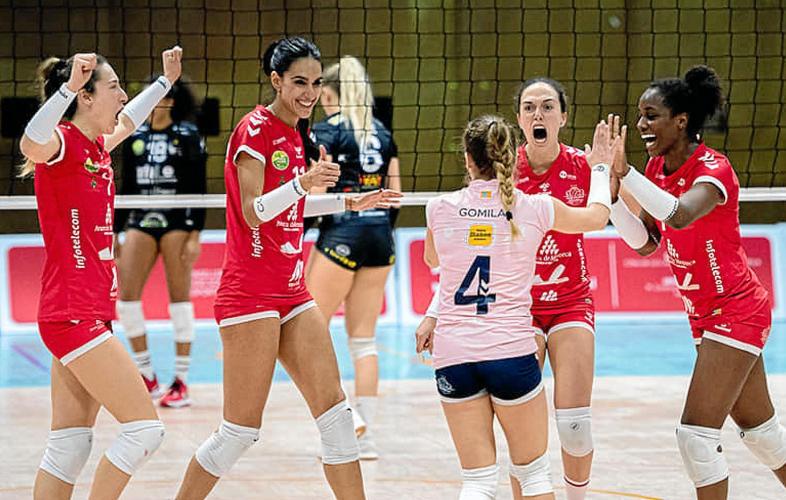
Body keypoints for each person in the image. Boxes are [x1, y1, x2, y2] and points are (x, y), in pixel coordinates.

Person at [174, 37, 399, 500]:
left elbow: (294, 206)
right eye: (299, 82)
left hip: (292, 292)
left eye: (315, 83)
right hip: (249, 295)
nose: (309, 93)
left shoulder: (301, 134)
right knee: (239, 432)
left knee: (336, 417)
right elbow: (254, 211)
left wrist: (349, 202)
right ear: (276, 81)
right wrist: (302, 182)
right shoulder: (254, 129)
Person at [417, 78, 601, 500]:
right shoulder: (532, 206)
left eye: (547, 107)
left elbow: (437, 263)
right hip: (510, 347)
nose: (539, 115)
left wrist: (433, 313)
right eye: (530, 107)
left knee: (478, 480)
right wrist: (604, 169)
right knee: (533, 474)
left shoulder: (437, 208)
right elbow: (596, 218)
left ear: (468, 159)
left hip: (454, 354)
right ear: (510, 151)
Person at [608, 65, 786, 499]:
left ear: (681, 120)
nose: (641, 124)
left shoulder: (714, 169)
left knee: (696, 438)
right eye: (639, 115)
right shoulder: (656, 167)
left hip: (737, 308)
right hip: (705, 315)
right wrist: (613, 199)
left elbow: (680, 214)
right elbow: (648, 242)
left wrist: (626, 174)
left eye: (651, 115)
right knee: (761, 433)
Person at [19, 47, 182, 499]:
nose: (122, 95)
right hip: (71, 313)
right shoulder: (60, 143)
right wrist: (68, 88)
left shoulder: (93, 147)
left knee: (69, 447)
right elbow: (30, 144)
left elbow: (128, 120)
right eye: (114, 87)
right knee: (144, 430)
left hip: (86, 310)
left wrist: (165, 82)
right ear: (86, 97)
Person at [306, 55, 401, 460]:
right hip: (380, 238)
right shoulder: (382, 131)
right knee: (364, 341)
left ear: (328, 94)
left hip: (341, 234)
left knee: (309, 333)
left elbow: (315, 195)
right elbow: (396, 195)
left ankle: (349, 422)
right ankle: (367, 437)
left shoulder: (325, 131)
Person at [114, 76, 207, 408]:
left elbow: (199, 188)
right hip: (140, 219)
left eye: (158, 97)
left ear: (170, 101)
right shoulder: (134, 135)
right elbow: (125, 186)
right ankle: (146, 375)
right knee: (126, 300)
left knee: (179, 300)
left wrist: (195, 234)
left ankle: (180, 381)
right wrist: (115, 231)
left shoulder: (188, 135)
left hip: (177, 221)